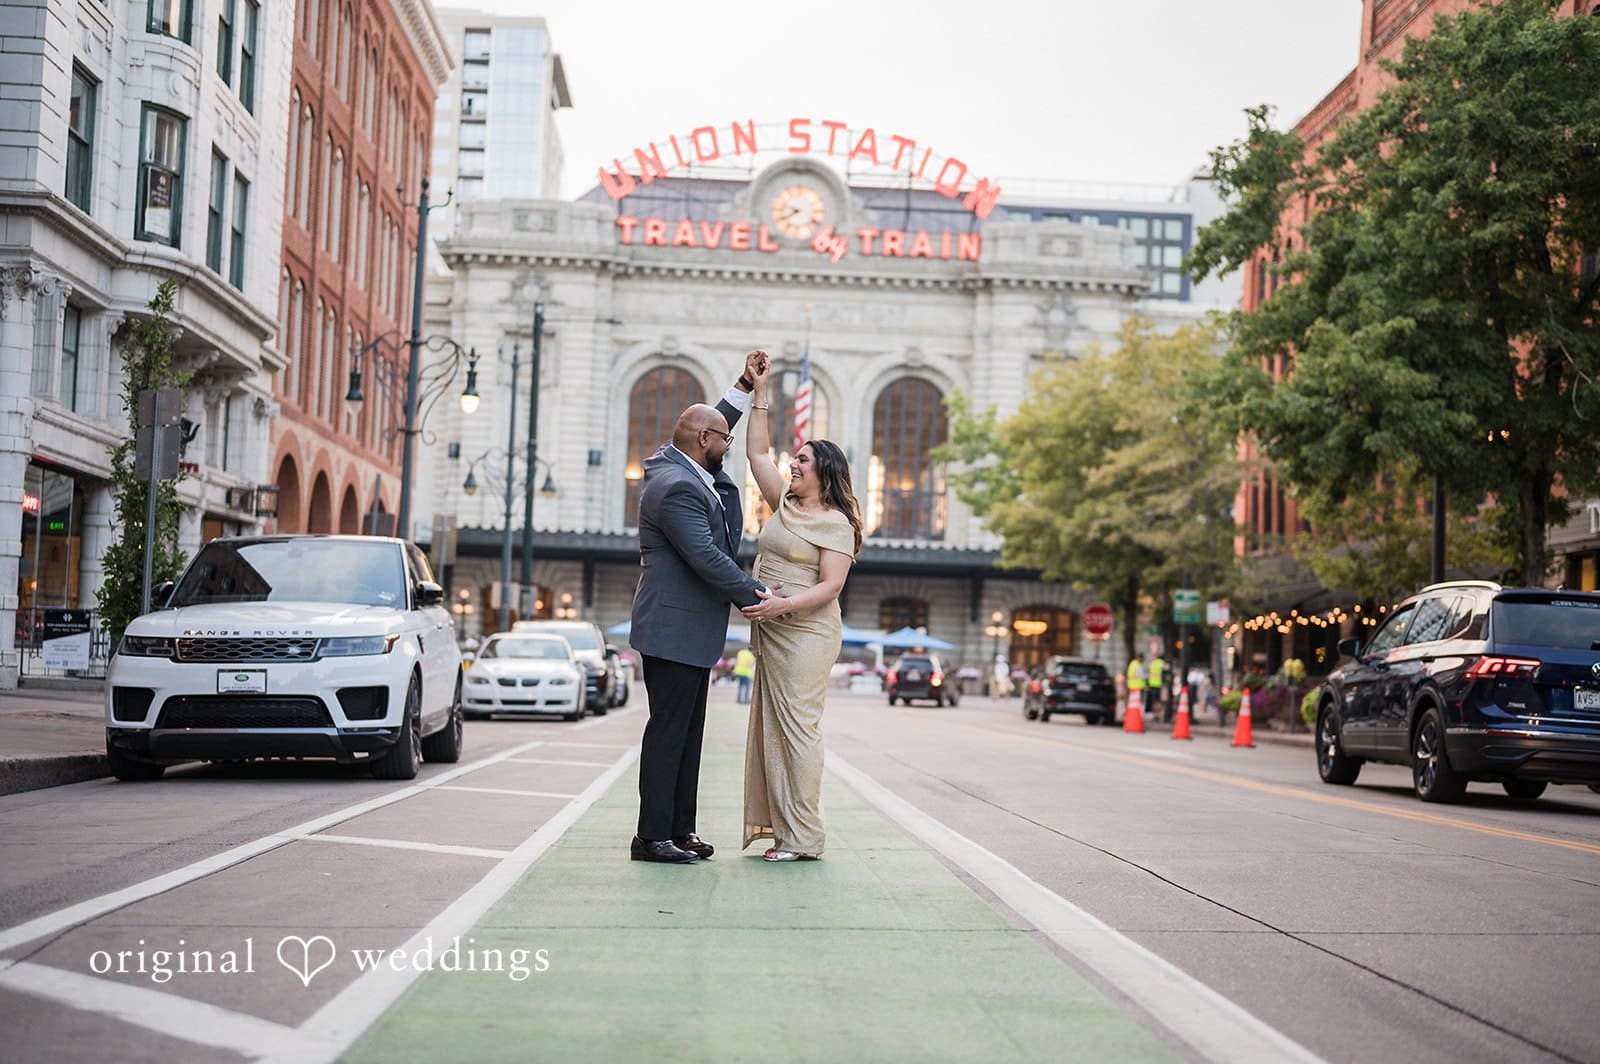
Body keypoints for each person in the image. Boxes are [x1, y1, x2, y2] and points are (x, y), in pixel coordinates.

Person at [628, 351, 774, 865]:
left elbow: (711, 422)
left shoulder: (684, 460)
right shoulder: (675, 489)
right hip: (671, 630)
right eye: (724, 440)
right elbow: (708, 558)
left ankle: (680, 829)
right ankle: (651, 837)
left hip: (686, 631)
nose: (728, 445)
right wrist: (760, 598)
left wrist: (743, 385)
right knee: (669, 734)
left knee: (690, 736)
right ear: (704, 444)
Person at [739, 352, 862, 863]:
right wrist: (759, 392)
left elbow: (832, 587)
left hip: (807, 631)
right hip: (773, 626)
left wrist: (781, 606)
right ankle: (784, 830)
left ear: (825, 472)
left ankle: (805, 837)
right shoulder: (784, 504)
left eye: (804, 460)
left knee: (799, 729)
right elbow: (757, 455)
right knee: (772, 727)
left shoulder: (837, 523)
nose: (793, 462)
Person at [1148, 649, 1167, 721]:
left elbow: (1149, 672)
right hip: (1160, 684)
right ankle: (1159, 714)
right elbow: (1167, 672)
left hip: (1152, 684)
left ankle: (1155, 715)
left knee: (1154, 700)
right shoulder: (1162, 663)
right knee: (1159, 701)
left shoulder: (1153, 663)